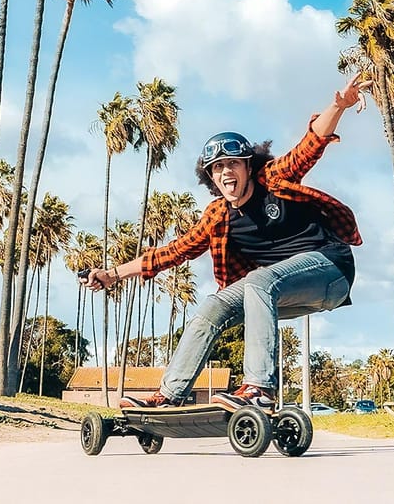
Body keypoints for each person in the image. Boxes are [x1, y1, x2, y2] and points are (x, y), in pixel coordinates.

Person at [82, 74, 373, 410]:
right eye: (217, 168)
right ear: (211, 176)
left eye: (233, 163)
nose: (226, 172)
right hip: (276, 290)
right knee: (213, 305)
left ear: (249, 167)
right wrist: (113, 274)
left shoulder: (273, 178)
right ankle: (169, 396)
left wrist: (338, 106)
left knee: (259, 280)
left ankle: (259, 388)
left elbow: (310, 146)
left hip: (330, 270)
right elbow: (173, 252)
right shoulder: (217, 216)